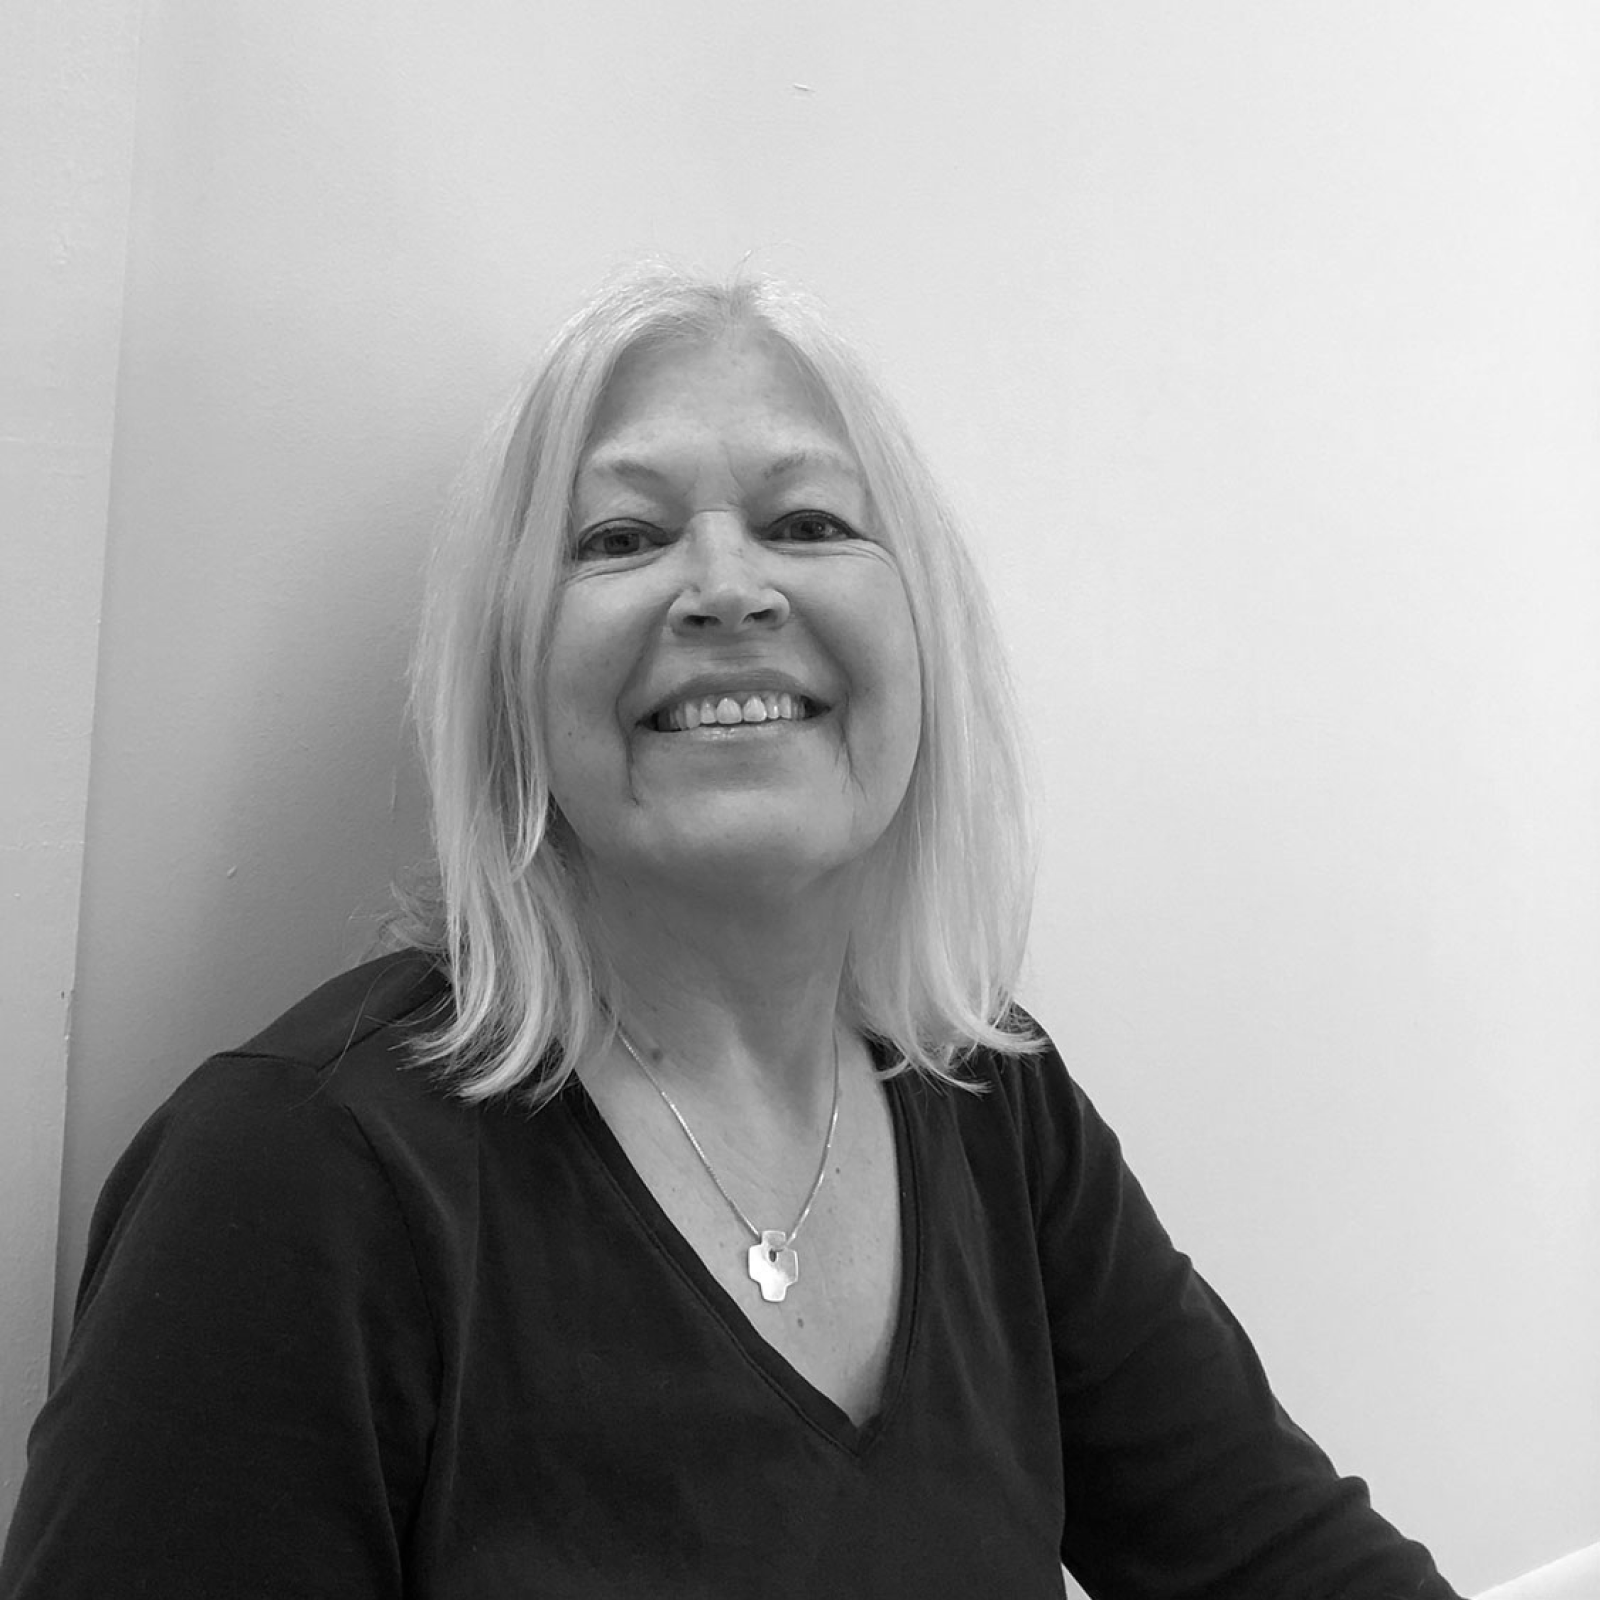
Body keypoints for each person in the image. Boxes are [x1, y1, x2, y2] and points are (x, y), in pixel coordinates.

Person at [0, 267, 1464, 1599]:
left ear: (921, 640)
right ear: (513, 678)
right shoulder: (302, 1181)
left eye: (808, 522)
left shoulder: (988, 1100)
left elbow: (1291, 1567)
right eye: (624, 536)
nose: (727, 587)